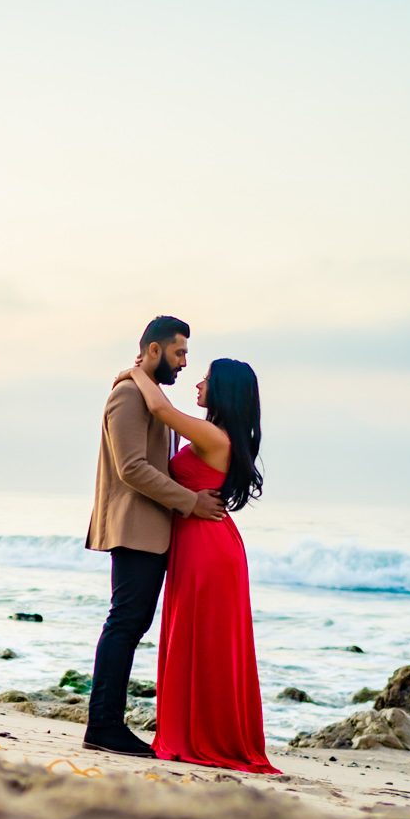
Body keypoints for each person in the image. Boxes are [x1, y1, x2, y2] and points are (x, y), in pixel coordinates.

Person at [120, 357, 278, 773]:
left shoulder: (214, 435)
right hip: (199, 545)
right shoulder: (218, 435)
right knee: (196, 641)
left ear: (224, 390)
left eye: (207, 378)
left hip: (208, 550)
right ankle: (193, 732)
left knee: (205, 645)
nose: (198, 382)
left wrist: (135, 372)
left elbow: (160, 410)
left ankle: (204, 738)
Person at [83, 316, 224, 757]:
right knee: (124, 624)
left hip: (151, 531)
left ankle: (106, 723)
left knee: (130, 624)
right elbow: (132, 468)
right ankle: (103, 725)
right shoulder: (128, 395)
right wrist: (190, 501)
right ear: (155, 349)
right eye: (180, 352)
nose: (184, 363)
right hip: (134, 527)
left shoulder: (148, 393)